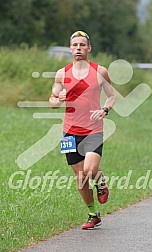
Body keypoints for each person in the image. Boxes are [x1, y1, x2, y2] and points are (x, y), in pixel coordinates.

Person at [49, 31, 115, 230]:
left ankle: (101, 183)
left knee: (90, 170)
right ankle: (92, 213)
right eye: (75, 45)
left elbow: (112, 96)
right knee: (80, 177)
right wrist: (57, 99)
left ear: (89, 48)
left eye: (82, 45)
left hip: (93, 128)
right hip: (70, 131)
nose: (78, 48)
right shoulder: (62, 73)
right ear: (70, 49)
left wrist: (105, 109)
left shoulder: (100, 72)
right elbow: (51, 101)